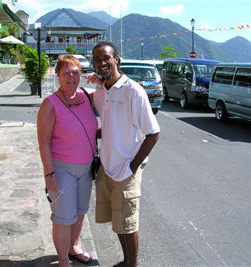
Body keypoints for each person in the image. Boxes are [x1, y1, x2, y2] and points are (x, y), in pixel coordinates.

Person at [86, 42, 160, 267]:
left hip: (126, 168)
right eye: (98, 59)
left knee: (127, 224)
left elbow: (153, 133)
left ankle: (132, 265)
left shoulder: (133, 91)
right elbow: (109, 126)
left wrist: (132, 167)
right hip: (108, 168)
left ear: (116, 59)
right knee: (118, 222)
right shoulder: (102, 92)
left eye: (106, 58)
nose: (102, 63)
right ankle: (127, 262)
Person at [37, 55, 97, 267]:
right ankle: (63, 260)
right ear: (58, 76)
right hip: (61, 170)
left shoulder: (86, 96)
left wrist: (100, 82)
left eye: (75, 72)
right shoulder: (50, 104)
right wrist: (49, 174)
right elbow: (43, 142)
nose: (72, 77)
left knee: (81, 211)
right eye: (66, 73)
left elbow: (111, 95)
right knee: (63, 217)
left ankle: (74, 247)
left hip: (86, 168)